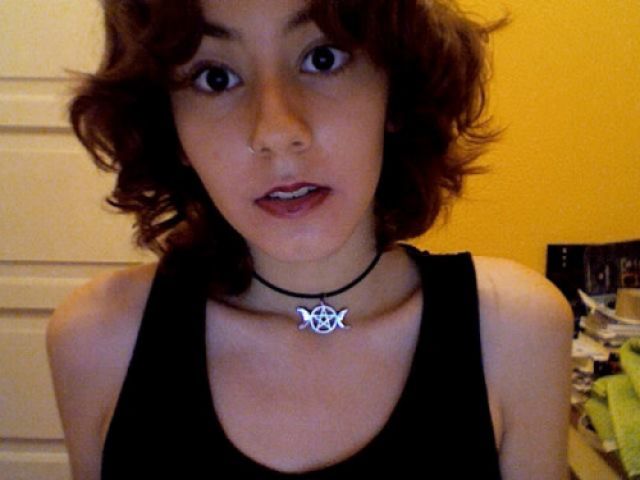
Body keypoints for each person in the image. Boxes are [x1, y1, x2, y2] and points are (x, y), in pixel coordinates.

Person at [47, 0, 574, 478]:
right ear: (170, 126)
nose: (276, 132)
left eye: (323, 58)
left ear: (394, 88)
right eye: (214, 77)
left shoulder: (515, 334)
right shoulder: (97, 340)